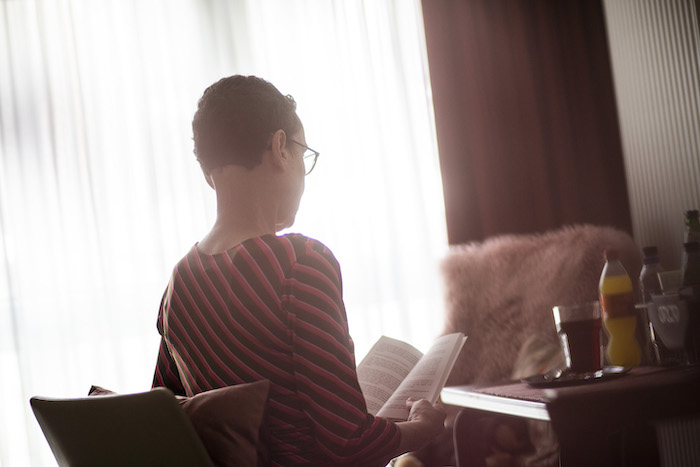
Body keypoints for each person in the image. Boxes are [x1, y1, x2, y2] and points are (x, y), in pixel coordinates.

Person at [152, 75, 445, 466]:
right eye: (304, 154)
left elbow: (166, 416)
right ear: (279, 148)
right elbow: (349, 443)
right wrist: (422, 427)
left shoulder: (178, 285)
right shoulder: (300, 264)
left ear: (209, 172)